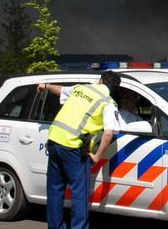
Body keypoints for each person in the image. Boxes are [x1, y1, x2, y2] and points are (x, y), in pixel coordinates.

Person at [38, 70, 121, 229]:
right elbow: (109, 133)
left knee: (55, 190)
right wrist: (97, 156)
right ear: (114, 88)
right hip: (73, 146)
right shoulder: (108, 102)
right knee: (79, 194)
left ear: (100, 80)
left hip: (54, 140)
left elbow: (60, 90)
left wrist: (46, 86)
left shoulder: (82, 88)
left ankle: (55, 226)